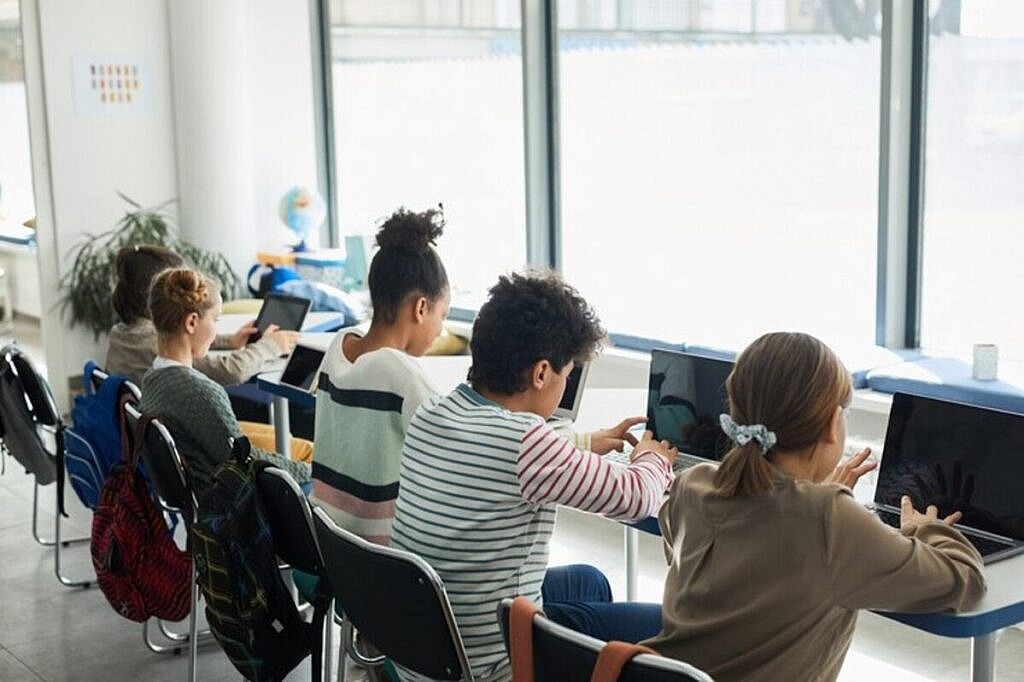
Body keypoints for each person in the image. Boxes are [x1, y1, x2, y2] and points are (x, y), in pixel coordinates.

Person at [641, 332, 987, 682]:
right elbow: (966, 582)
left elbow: (695, 556)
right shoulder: (828, 517)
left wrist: (814, 498)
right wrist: (922, 526)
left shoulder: (693, 483)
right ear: (832, 425)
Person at [391, 272, 678, 681]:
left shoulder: (434, 412)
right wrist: (653, 458)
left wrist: (583, 441)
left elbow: (501, 453)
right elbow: (638, 497)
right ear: (541, 373)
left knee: (589, 582)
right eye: (566, 373)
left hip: (428, 647)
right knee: (668, 629)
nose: (563, 384)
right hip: (494, 662)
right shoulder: (527, 443)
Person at [310, 207, 450, 544]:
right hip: (383, 558)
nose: (441, 329)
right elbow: (461, 445)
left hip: (329, 542)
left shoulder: (337, 347)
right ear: (420, 308)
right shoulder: (401, 375)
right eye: (442, 314)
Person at [139, 267, 311, 492]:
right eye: (215, 320)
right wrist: (309, 472)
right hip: (235, 503)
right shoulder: (201, 392)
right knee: (315, 477)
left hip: (204, 498)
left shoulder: (152, 378)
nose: (215, 330)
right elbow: (247, 460)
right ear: (191, 322)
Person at [106, 244, 298, 386]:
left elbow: (176, 335)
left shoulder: (122, 332)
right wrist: (270, 346)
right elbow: (231, 371)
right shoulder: (153, 348)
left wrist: (231, 341)